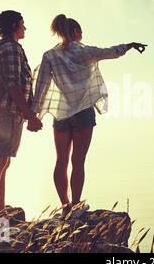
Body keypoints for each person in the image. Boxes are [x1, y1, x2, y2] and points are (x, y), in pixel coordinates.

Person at [32, 14, 147, 219]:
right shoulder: (85, 52)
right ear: (75, 32)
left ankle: (65, 205)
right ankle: (76, 206)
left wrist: (34, 114)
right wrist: (130, 45)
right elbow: (111, 52)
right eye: (80, 32)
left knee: (61, 160)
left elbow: (41, 86)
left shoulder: (49, 56)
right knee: (78, 161)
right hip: (83, 112)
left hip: (61, 114)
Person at [0, 10, 43, 226]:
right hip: (8, 113)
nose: (25, 28)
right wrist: (30, 115)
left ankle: (0, 210)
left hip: (1, 112)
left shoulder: (1, 47)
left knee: (3, 161)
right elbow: (13, 85)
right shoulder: (11, 48)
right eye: (23, 24)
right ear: (15, 25)